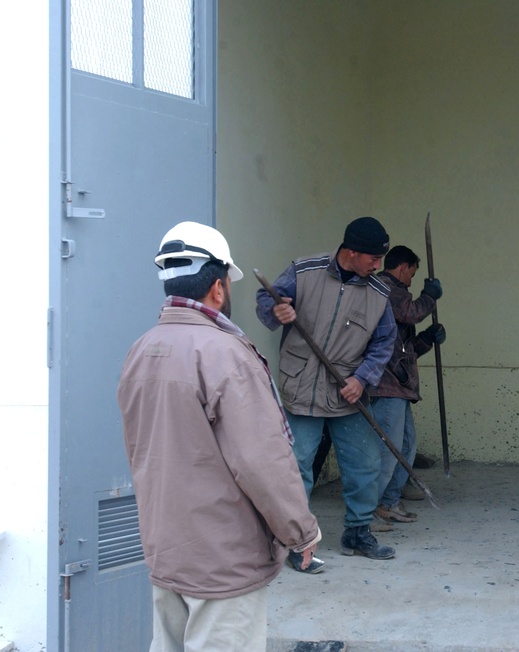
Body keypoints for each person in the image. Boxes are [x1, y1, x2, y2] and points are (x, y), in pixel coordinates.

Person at [118, 221, 321, 652]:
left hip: (165, 550)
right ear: (217, 287)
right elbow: (262, 461)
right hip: (223, 561)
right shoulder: (225, 353)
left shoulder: (141, 349)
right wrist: (301, 531)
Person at [256, 216, 398, 561]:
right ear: (350, 252)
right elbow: (266, 301)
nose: (379, 266)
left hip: (346, 390)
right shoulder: (304, 271)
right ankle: (297, 541)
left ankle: (357, 533)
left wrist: (362, 378)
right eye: (373, 259)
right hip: (301, 387)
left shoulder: (379, 294)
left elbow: (384, 343)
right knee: (297, 465)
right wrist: (278, 311)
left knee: (364, 463)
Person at [369, 245, 446, 525]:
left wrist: (426, 338)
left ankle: (388, 502)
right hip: (387, 383)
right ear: (403, 267)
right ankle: (370, 511)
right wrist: (429, 297)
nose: (412, 280)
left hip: (397, 384)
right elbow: (411, 312)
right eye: (412, 274)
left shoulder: (392, 294)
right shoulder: (386, 288)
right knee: (391, 450)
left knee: (405, 444)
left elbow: (404, 346)